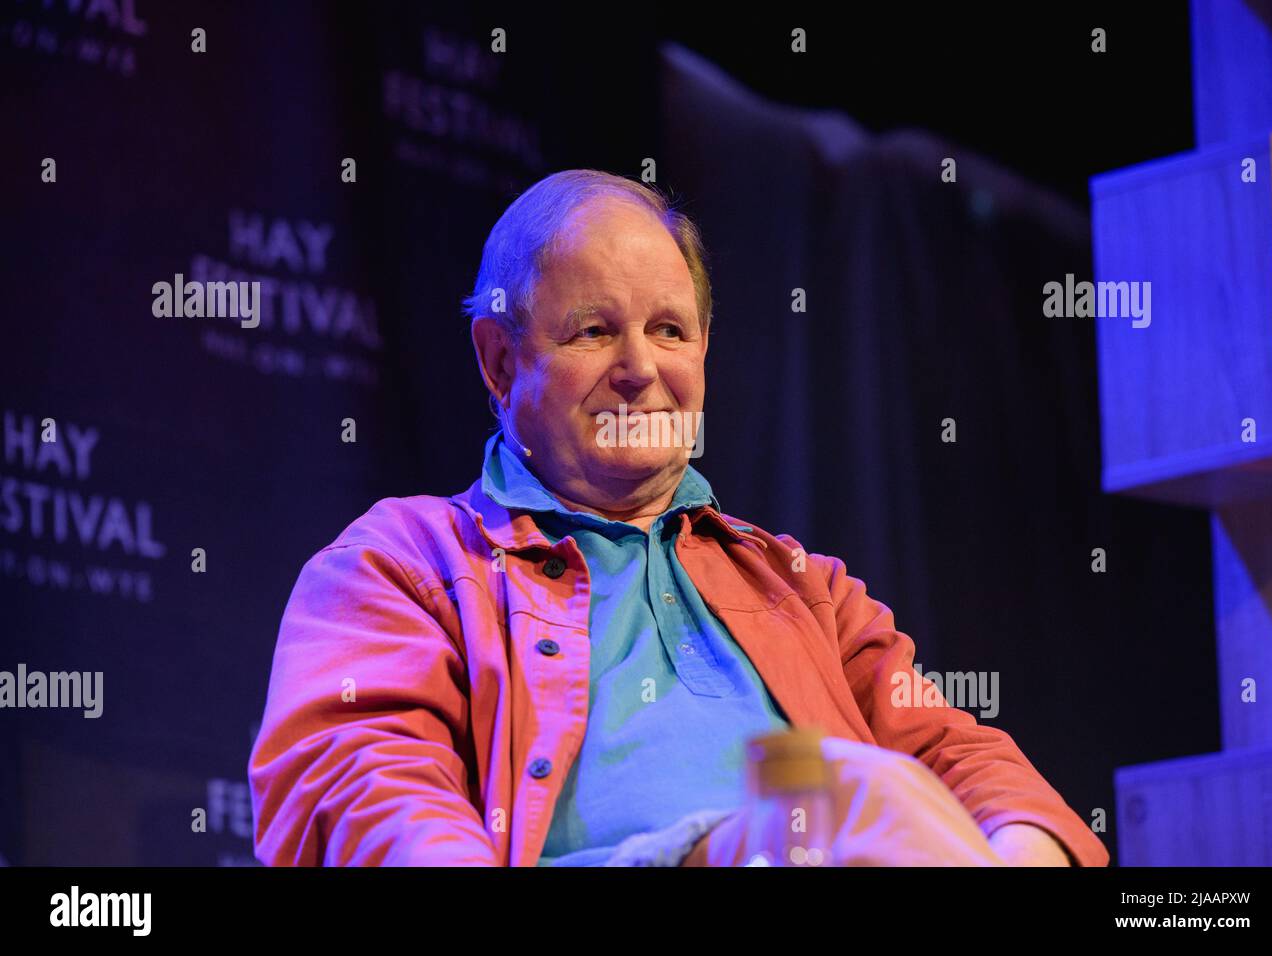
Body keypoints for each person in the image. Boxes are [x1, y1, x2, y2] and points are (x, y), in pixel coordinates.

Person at [247, 169, 1109, 867]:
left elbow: (965, 759)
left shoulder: (805, 590)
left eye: (669, 329)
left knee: (868, 799)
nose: (638, 368)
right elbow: (365, 791)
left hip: (830, 850)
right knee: (856, 799)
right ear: (502, 362)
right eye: (592, 332)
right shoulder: (400, 564)